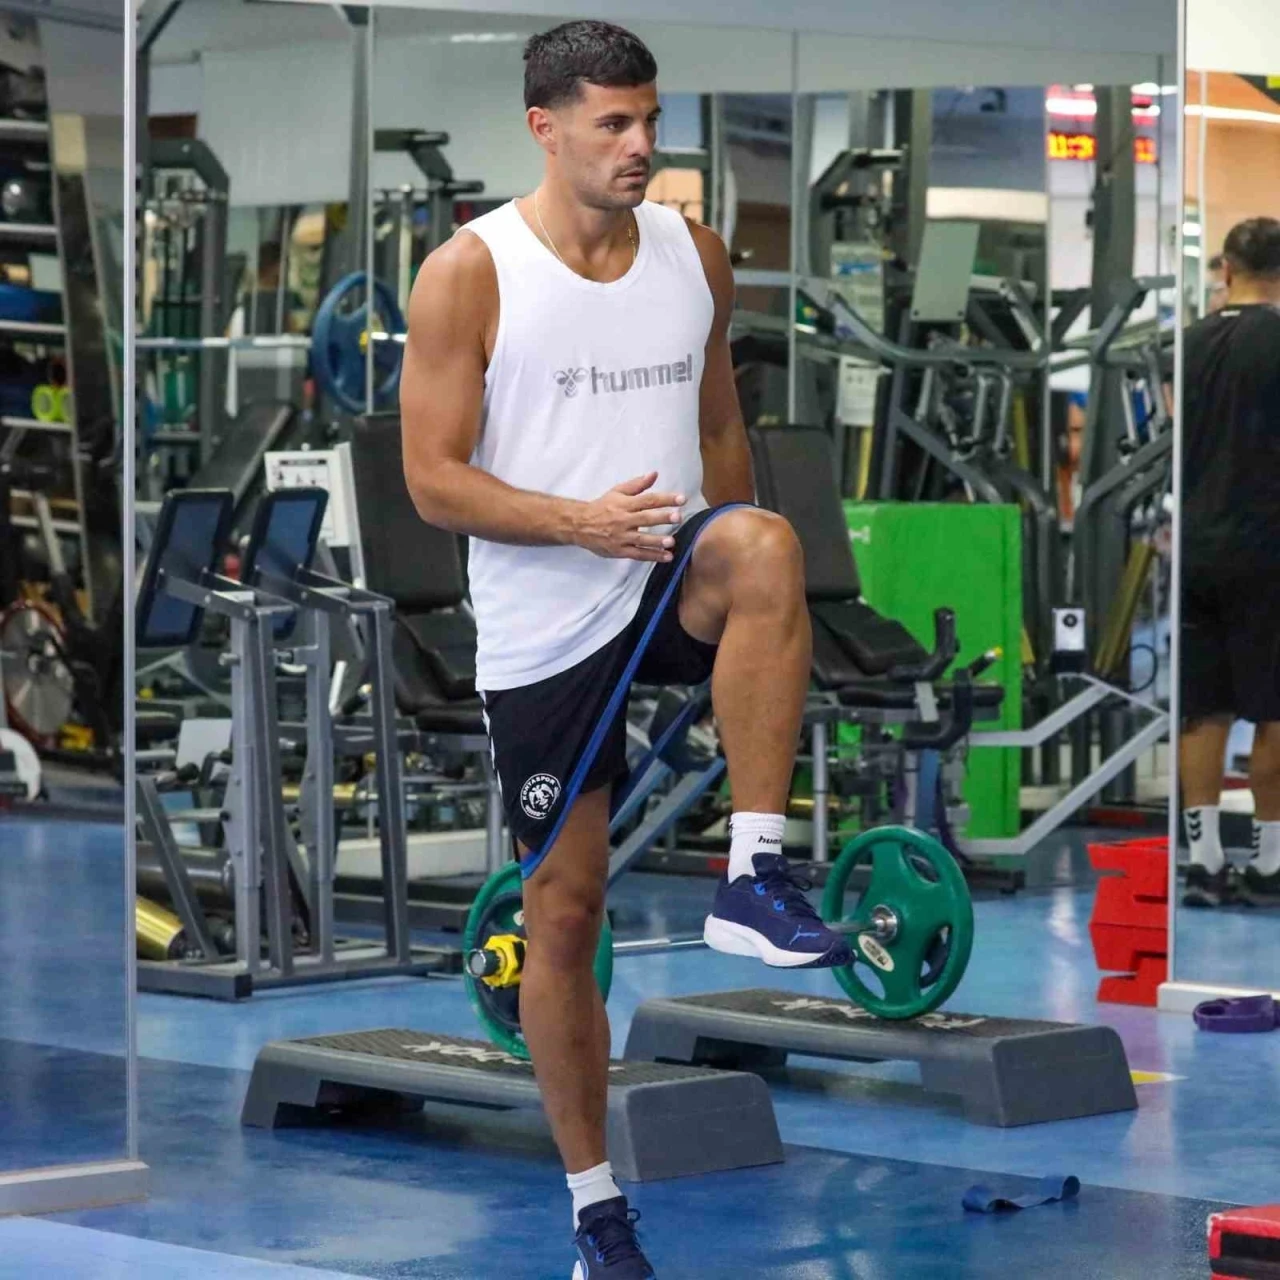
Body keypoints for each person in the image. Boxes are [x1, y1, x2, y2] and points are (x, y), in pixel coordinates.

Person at [398, 21, 851, 1278]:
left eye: (649, 118)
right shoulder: (468, 273)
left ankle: (752, 872)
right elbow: (431, 480)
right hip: (547, 613)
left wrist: (738, 569)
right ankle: (596, 1207)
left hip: (663, 571)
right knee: (564, 909)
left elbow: (718, 430)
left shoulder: (691, 251)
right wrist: (576, 522)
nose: (639, 144)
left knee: (763, 543)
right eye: (612, 123)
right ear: (544, 128)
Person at [1179, 217, 1280, 909]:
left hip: (1197, 549)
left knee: (1203, 708)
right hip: (1268, 548)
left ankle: (1205, 862)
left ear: (1226, 269)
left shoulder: (1189, 343)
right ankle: (1270, 863)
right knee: (1274, 709)